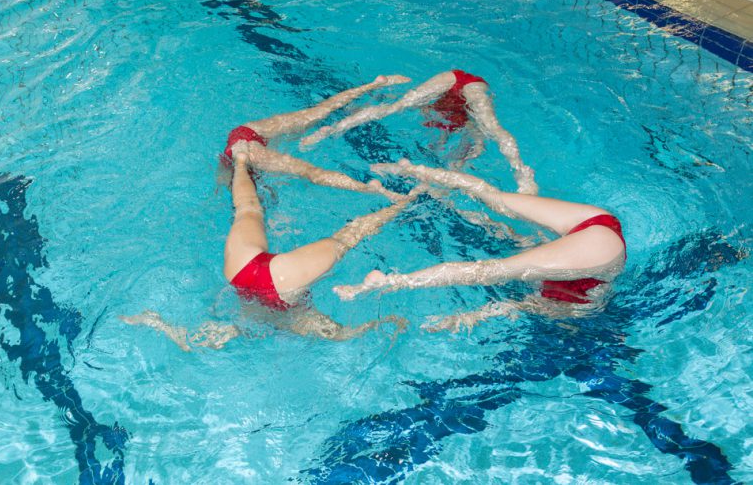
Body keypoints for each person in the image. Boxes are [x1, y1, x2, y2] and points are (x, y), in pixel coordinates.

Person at [121, 76, 420, 346]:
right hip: (245, 275)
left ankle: (174, 328)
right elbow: (312, 167)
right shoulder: (256, 141)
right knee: (345, 235)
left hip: (249, 280)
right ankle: (408, 200)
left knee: (254, 215)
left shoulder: (291, 313)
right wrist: (369, 188)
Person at [333, 159, 626, 332]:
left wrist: (465, 318)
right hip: (597, 249)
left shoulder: (571, 290)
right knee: (487, 271)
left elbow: (519, 298)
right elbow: (511, 304)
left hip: (598, 223)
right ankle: (393, 281)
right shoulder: (574, 310)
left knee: (492, 197)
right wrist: (465, 318)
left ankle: (413, 169)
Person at [300, 69, 538, 195]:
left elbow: (465, 158)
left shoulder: (463, 128)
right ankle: (523, 174)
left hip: (463, 106)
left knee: (480, 141)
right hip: (461, 81)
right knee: (398, 106)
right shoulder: (447, 118)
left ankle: (521, 172)